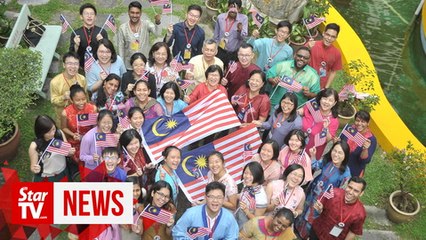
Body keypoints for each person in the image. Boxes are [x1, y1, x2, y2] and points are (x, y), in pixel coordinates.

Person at [295, 141, 351, 239]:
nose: (336, 154)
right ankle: (297, 230)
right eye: (335, 150)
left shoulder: (345, 173)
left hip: (323, 201)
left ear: (345, 156)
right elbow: (315, 166)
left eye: (340, 153)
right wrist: (313, 156)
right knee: (304, 210)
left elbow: (341, 194)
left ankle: (306, 236)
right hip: (312, 193)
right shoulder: (327, 160)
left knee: (312, 218)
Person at [172, 181, 239, 239]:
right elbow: (177, 232)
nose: (215, 200)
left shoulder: (229, 218)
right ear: (205, 197)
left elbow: (232, 237)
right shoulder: (191, 213)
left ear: (223, 199)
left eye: (219, 197)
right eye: (211, 197)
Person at [29, 115, 75, 182]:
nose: (52, 133)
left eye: (53, 129)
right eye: (48, 132)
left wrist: (70, 152)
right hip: (47, 178)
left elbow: (67, 152)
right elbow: (33, 167)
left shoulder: (59, 133)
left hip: (63, 172)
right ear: (41, 132)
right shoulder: (34, 146)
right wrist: (35, 169)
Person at [117, 1, 162, 70]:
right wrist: (122, 66)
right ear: (128, 12)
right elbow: (121, 48)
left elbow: (157, 33)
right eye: (132, 12)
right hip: (129, 66)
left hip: (144, 64)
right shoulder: (122, 28)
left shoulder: (146, 24)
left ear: (141, 13)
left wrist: (158, 22)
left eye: (137, 13)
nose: (135, 15)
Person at [61, 84, 97, 164]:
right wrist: (73, 134)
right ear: (71, 100)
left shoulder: (92, 109)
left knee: (94, 157)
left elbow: (96, 126)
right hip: (75, 141)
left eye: (83, 99)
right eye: (77, 100)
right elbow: (63, 128)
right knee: (80, 158)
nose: (81, 102)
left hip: (90, 139)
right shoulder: (65, 112)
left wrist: (89, 138)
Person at [301, 88, 339, 160]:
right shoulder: (312, 107)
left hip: (312, 153)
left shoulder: (334, 121)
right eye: (325, 98)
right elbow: (300, 112)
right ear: (320, 99)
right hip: (296, 145)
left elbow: (328, 140)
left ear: (334, 103)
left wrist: (326, 129)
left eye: (330, 100)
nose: (326, 102)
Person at [50, 52, 87, 123]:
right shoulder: (55, 82)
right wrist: (63, 97)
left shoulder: (82, 79)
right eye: (69, 63)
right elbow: (53, 101)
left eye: (76, 64)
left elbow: (86, 97)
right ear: (64, 65)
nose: (73, 67)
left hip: (79, 116)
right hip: (63, 118)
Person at [69, 3, 108, 68]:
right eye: (86, 14)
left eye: (92, 14)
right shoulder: (76, 33)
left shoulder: (102, 32)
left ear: (95, 17)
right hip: (81, 67)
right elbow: (71, 55)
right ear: (81, 17)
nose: (89, 16)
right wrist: (76, 46)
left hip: (99, 66)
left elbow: (108, 51)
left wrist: (102, 41)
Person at [339, 110, 377, 177]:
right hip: (339, 163)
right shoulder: (349, 129)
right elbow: (340, 141)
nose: (359, 123)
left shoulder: (371, 140)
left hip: (353, 171)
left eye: (363, 122)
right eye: (357, 120)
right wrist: (336, 142)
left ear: (368, 123)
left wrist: (365, 149)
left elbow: (365, 161)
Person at [307, 23, 342, 89]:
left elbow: (333, 71)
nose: (329, 38)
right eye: (327, 35)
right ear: (323, 33)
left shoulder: (336, 53)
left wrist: (326, 88)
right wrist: (308, 48)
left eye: (333, 37)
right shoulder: (312, 45)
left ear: (336, 38)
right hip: (305, 81)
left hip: (320, 86)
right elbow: (298, 59)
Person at [213, 0, 248, 66]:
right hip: (220, 50)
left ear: (239, 9)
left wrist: (240, 30)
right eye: (231, 7)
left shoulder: (243, 19)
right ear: (228, 7)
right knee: (218, 69)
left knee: (231, 72)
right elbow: (216, 36)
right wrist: (215, 49)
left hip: (234, 53)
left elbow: (244, 38)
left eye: (236, 8)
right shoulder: (220, 17)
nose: (233, 10)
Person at [235, 162, 268, 228]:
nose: (247, 176)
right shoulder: (247, 185)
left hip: (246, 226)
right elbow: (241, 196)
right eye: (245, 173)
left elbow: (256, 221)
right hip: (237, 217)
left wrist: (246, 210)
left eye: (251, 174)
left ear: (258, 175)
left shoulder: (261, 198)